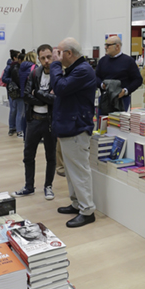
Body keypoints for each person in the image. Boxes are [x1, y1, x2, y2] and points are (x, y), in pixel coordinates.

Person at [50, 38, 98, 228]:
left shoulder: (83, 70)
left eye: (59, 52)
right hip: (69, 126)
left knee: (79, 171)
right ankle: (78, 203)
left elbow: (59, 87)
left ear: (69, 54)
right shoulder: (75, 69)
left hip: (76, 128)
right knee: (71, 171)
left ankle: (87, 211)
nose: (57, 56)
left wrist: (54, 64)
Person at [16, 44, 56, 200]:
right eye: (43, 58)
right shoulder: (34, 74)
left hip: (50, 122)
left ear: (53, 56)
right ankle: (29, 186)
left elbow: (56, 100)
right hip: (34, 120)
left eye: (49, 57)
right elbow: (26, 96)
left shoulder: (58, 75)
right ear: (38, 59)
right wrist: (45, 99)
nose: (46, 60)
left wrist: (37, 94)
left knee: (50, 156)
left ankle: (48, 186)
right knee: (28, 155)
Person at [96, 36, 143, 112]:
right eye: (105, 45)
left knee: (117, 123)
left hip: (121, 100)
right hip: (105, 99)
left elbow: (138, 80)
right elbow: (95, 77)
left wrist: (125, 91)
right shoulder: (103, 61)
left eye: (108, 45)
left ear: (117, 46)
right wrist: (101, 85)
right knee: (103, 123)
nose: (105, 47)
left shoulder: (128, 61)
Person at [2, 50, 24, 137]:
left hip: (14, 90)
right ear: (14, 58)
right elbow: (4, 79)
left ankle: (14, 128)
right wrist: (13, 81)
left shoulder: (16, 66)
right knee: (14, 110)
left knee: (15, 110)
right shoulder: (10, 67)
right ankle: (13, 128)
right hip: (13, 91)